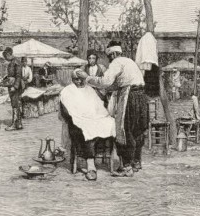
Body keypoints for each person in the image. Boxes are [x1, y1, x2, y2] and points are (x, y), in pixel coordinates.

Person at [76, 40, 148, 177]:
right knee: (137, 129)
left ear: (114, 53)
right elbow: (116, 84)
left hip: (129, 96)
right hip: (141, 96)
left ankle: (126, 168)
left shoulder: (116, 62)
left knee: (123, 130)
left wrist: (87, 78)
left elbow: (105, 82)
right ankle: (136, 162)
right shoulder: (129, 61)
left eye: (109, 57)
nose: (109, 60)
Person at [59, 69, 116, 181]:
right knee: (87, 128)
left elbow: (97, 106)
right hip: (76, 122)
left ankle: (120, 163)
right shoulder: (67, 91)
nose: (79, 81)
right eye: (76, 79)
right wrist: (77, 117)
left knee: (111, 123)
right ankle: (91, 166)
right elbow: (65, 112)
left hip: (94, 118)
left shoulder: (89, 89)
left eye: (81, 79)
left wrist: (95, 115)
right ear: (72, 79)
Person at [2, 47, 25, 131]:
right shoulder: (11, 62)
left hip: (16, 87)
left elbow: (18, 76)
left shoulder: (16, 62)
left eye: (6, 57)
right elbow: (10, 75)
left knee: (15, 104)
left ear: (9, 54)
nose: (5, 59)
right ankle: (18, 124)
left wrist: (14, 87)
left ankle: (15, 124)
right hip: (12, 85)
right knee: (15, 104)